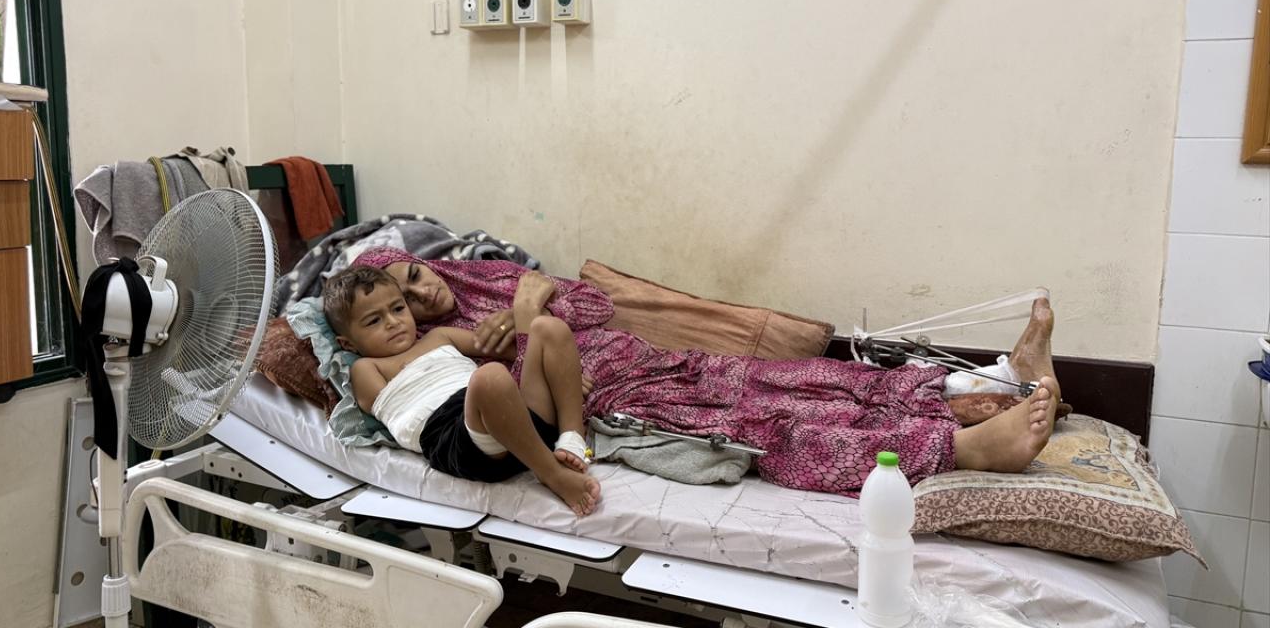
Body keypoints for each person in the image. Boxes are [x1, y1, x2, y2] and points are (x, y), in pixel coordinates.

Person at [352, 247, 1061, 497]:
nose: (418, 298)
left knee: (800, 379)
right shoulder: (439, 345)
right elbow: (483, 398)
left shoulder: (495, 279)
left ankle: (993, 380)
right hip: (616, 399)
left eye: (414, 278)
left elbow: (593, 306)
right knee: (769, 427)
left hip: (648, 358)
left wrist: (527, 302)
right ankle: (959, 449)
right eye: (398, 303)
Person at [322, 266, 601, 515]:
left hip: (518, 422)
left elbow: (518, 349)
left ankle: (572, 439)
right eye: (374, 321)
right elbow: (384, 410)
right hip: (459, 439)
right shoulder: (366, 368)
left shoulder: (439, 336)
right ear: (348, 344)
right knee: (491, 377)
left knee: (548, 328)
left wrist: (558, 369)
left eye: (397, 309)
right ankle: (552, 474)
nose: (393, 322)